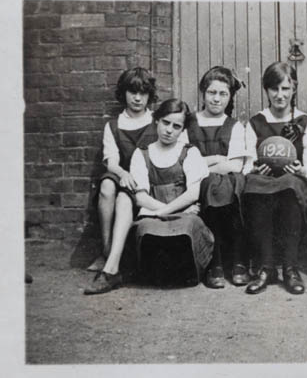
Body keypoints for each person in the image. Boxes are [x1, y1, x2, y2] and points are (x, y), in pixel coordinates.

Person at [84, 99, 212, 294]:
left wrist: (166, 211)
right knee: (145, 228)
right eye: (165, 123)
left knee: (188, 227)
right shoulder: (141, 154)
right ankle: (144, 271)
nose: (169, 130)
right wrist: (164, 211)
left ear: (182, 130)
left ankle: (185, 271)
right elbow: (140, 197)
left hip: (184, 216)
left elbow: (194, 192)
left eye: (176, 126)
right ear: (157, 122)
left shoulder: (190, 152)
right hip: (157, 212)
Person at [242, 62, 307, 295]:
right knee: (255, 187)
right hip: (265, 182)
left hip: (294, 182)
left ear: (294, 89)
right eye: (274, 89)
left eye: (286, 89)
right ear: (266, 90)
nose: (280, 95)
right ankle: (266, 267)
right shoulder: (256, 122)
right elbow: (247, 165)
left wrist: (300, 169)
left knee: (289, 188)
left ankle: (290, 268)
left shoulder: (305, 122)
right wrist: (254, 170)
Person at [187, 66, 254, 288]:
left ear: (229, 97)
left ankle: (238, 260)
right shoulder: (190, 123)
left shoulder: (234, 127)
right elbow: (184, 161)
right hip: (198, 182)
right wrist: (216, 158)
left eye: (223, 94)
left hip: (229, 180)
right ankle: (214, 263)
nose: (216, 99)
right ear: (203, 93)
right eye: (212, 93)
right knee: (212, 185)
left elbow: (235, 164)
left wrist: (202, 163)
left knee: (225, 186)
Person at [87, 67, 158, 272]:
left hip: (147, 179)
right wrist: (123, 174)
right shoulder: (114, 125)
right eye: (132, 92)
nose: (137, 98)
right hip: (122, 176)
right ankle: (106, 250)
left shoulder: (157, 121)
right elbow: (112, 163)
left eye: (143, 93)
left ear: (149, 95)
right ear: (123, 93)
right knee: (107, 185)